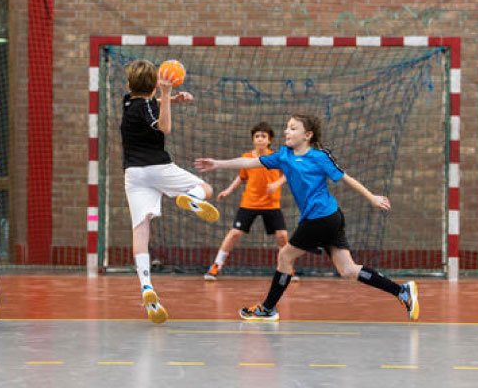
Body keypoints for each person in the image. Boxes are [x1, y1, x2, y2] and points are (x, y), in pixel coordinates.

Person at [195, 114, 419, 322]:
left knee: (285, 256)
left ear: (307, 135)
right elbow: (249, 163)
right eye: (286, 128)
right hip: (328, 217)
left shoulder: (319, 158)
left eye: (293, 128)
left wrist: (372, 198)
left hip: (321, 218)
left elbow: (346, 178)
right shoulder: (284, 155)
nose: (287, 131)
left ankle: (267, 309)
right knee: (348, 269)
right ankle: (401, 291)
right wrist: (218, 164)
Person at [121, 59, 220, 324]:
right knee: (205, 187)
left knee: (141, 229)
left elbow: (147, 107)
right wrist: (166, 94)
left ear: (129, 85)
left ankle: (146, 286)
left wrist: (171, 99)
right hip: (157, 167)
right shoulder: (151, 104)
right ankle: (192, 198)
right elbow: (164, 126)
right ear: (155, 85)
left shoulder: (128, 102)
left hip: (133, 174)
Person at [205, 122, 296, 282]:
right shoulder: (247, 158)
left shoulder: (276, 158)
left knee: (282, 235)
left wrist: (276, 184)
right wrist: (228, 190)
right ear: (253, 139)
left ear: (269, 140)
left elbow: (287, 174)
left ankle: (286, 267)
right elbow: (242, 177)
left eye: (263, 136)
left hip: (271, 204)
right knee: (235, 233)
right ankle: (216, 265)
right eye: (257, 136)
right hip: (249, 203)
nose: (260, 139)